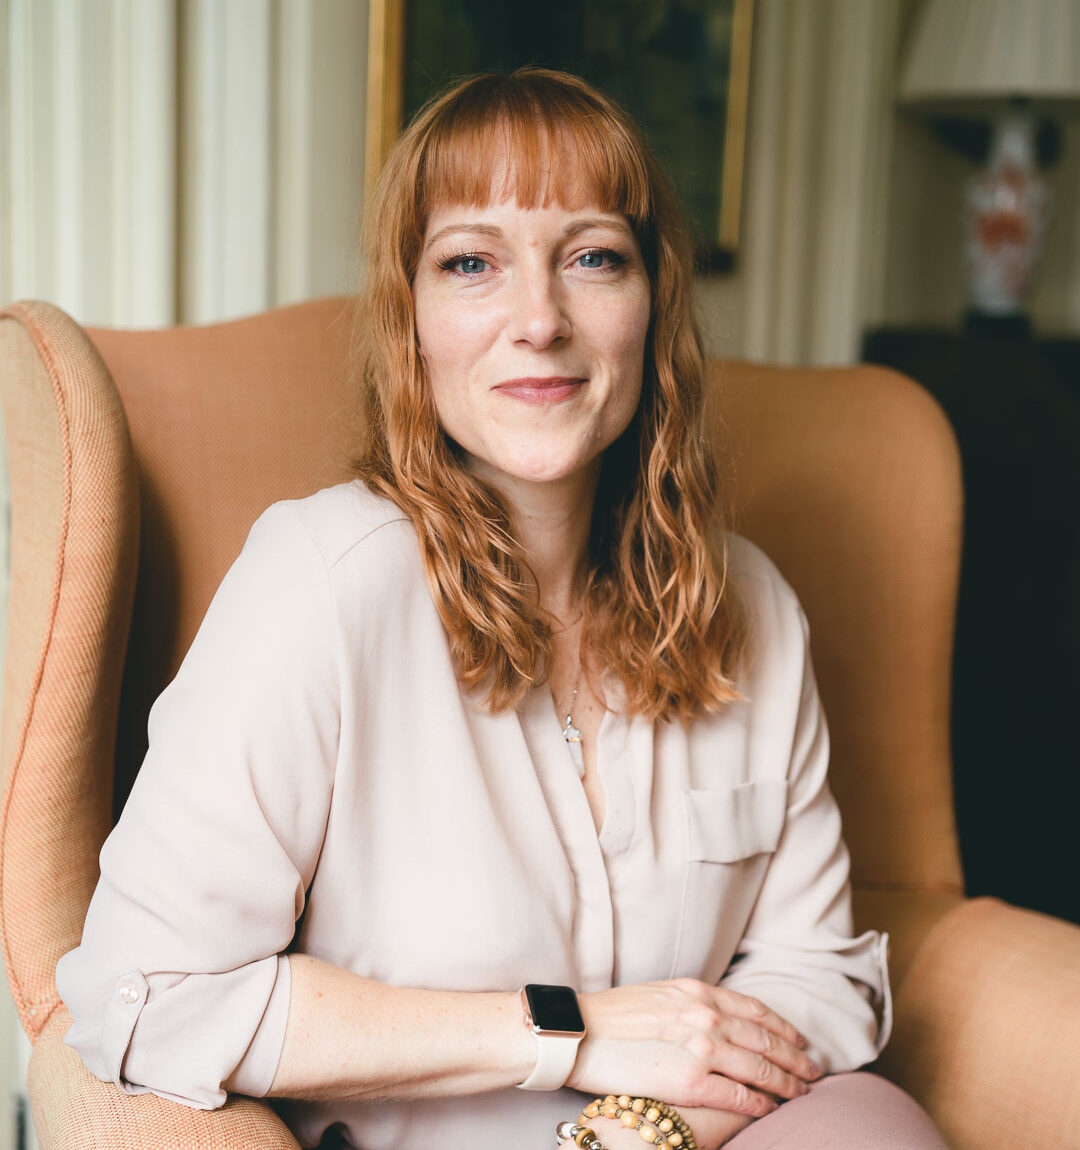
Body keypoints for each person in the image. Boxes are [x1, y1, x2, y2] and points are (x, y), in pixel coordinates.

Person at [56, 69, 947, 1150]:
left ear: (653, 306)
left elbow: (821, 972)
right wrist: (570, 1034)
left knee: (872, 1126)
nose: (539, 320)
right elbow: (143, 994)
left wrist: (637, 1126)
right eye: (473, 262)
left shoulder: (750, 599)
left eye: (592, 257)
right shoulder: (321, 583)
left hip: (690, 1134)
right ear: (413, 320)